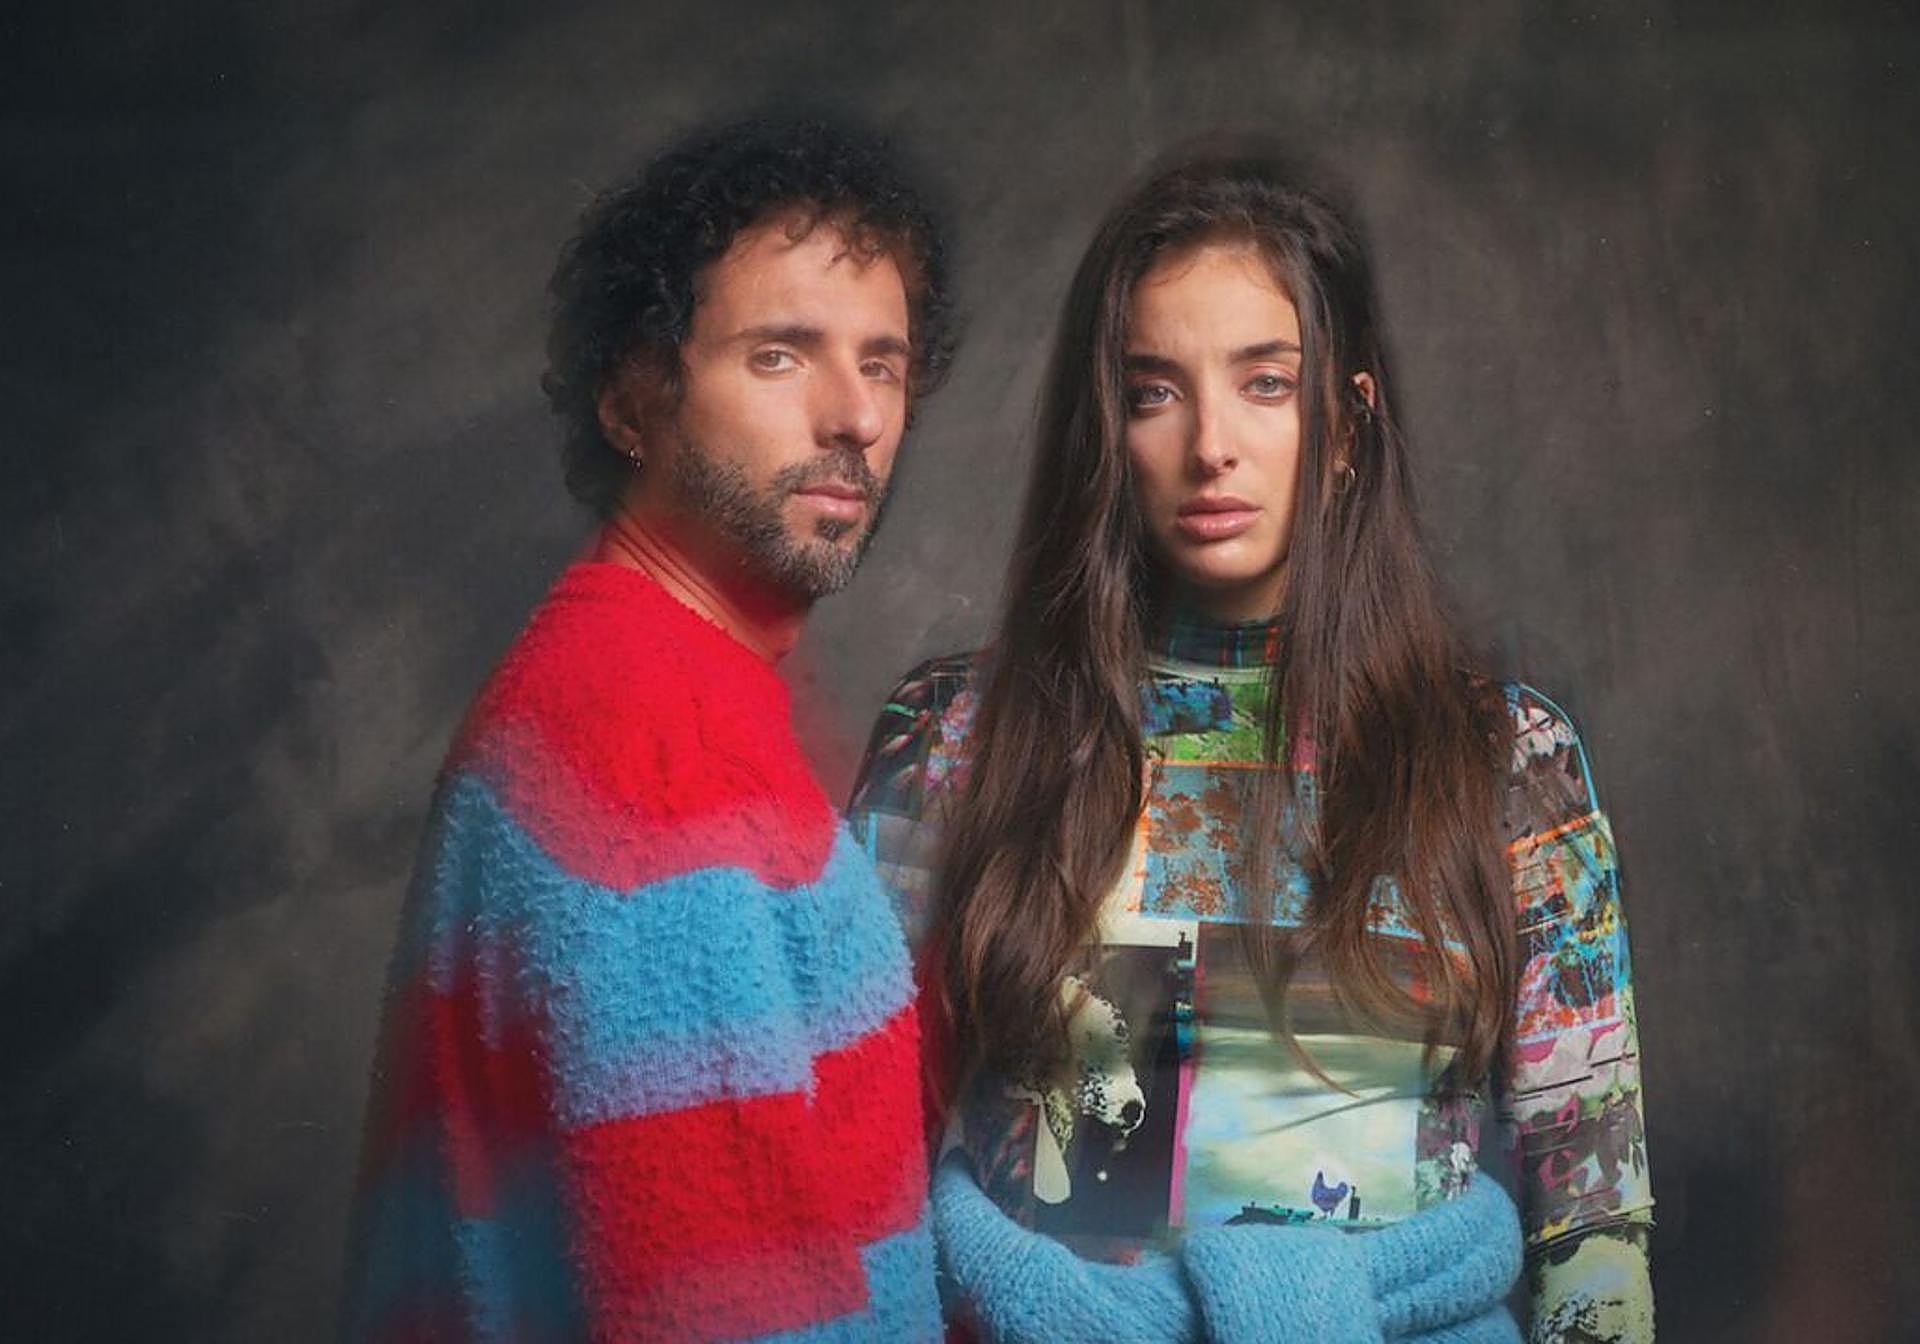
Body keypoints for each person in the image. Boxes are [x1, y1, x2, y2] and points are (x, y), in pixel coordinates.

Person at [849, 148, 1653, 1342]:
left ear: (1349, 424)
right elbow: (851, 1181)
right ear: (1108, 430)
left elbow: (1592, 1226)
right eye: (1155, 392)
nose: (1210, 444)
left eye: (1266, 383)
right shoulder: (957, 738)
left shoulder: (1505, 759)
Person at [343, 115, 957, 1342]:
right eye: (780, 356)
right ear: (634, 401)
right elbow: (731, 1313)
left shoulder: (648, 677)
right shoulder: (649, 754)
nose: (855, 416)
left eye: (882, 364)